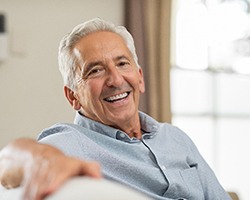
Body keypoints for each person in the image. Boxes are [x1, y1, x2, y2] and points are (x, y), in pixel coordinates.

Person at [0, 18, 231, 200]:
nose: (115, 79)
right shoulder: (72, 143)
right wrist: (38, 160)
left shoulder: (176, 138)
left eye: (122, 63)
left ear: (139, 78)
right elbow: (8, 162)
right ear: (73, 96)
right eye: (95, 70)